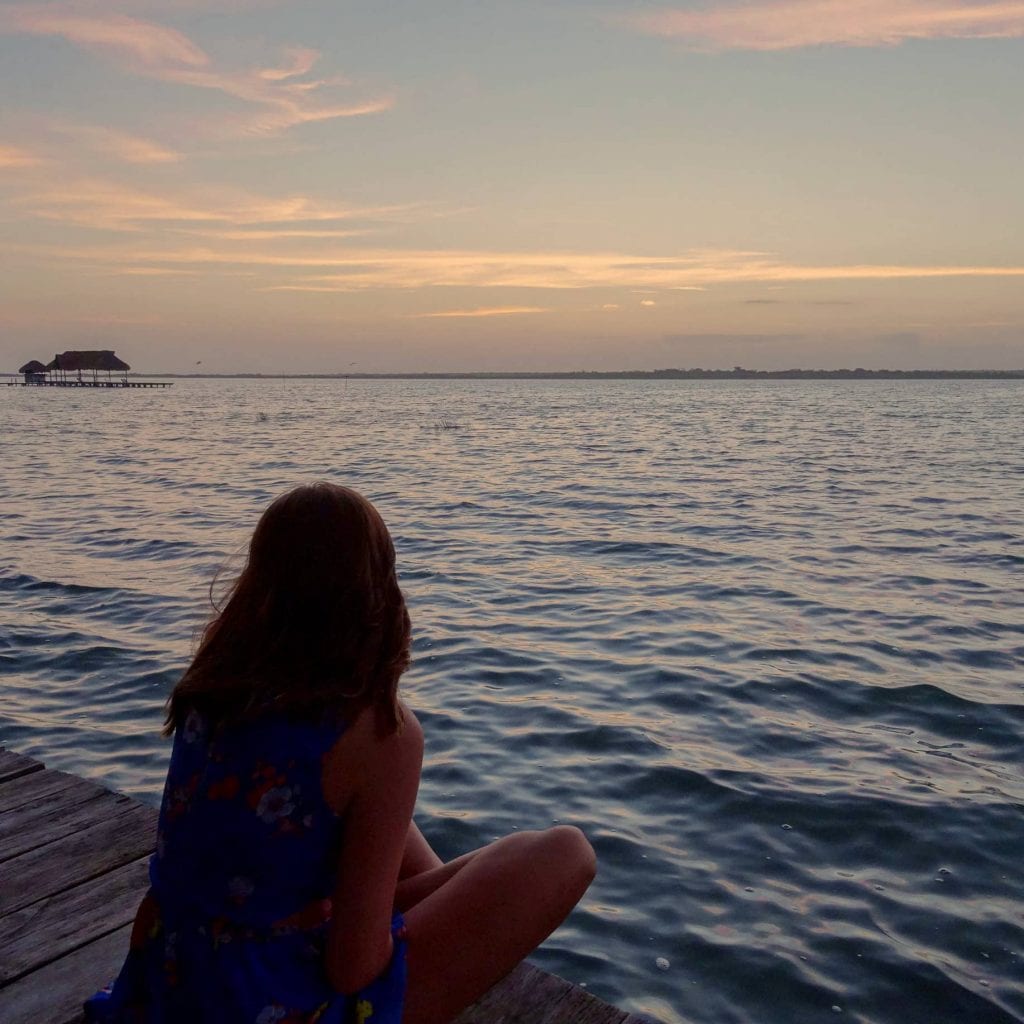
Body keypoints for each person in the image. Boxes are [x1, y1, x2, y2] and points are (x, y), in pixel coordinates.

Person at [85, 482, 596, 1024]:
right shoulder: (377, 734)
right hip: (264, 1005)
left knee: (378, 817)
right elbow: (354, 970)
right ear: (379, 589)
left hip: (168, 982)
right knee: (566, 853)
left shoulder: (211, 693)